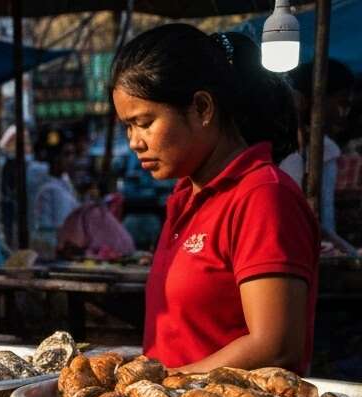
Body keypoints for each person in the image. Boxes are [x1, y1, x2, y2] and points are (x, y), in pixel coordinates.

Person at [112, 26, 316, 373]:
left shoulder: (263, 196)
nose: (134, 141)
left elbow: (276, 346)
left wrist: (169, 383)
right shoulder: (185, 198)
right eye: (127, 127)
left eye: (144, 123)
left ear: (202, 108)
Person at [280, 59, 356, 257]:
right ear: (306, 101)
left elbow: (324, 219)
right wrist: (350, 252)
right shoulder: (286, 149)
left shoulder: (327, 149)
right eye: (341, 102)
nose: (344, 112)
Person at [32, 139, 79, 254]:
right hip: (52, 248)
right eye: (66, 154)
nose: (71, 159)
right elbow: (61, 225)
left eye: (73, 154)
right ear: (55, 157)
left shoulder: (65, 183)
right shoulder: (50, 189)